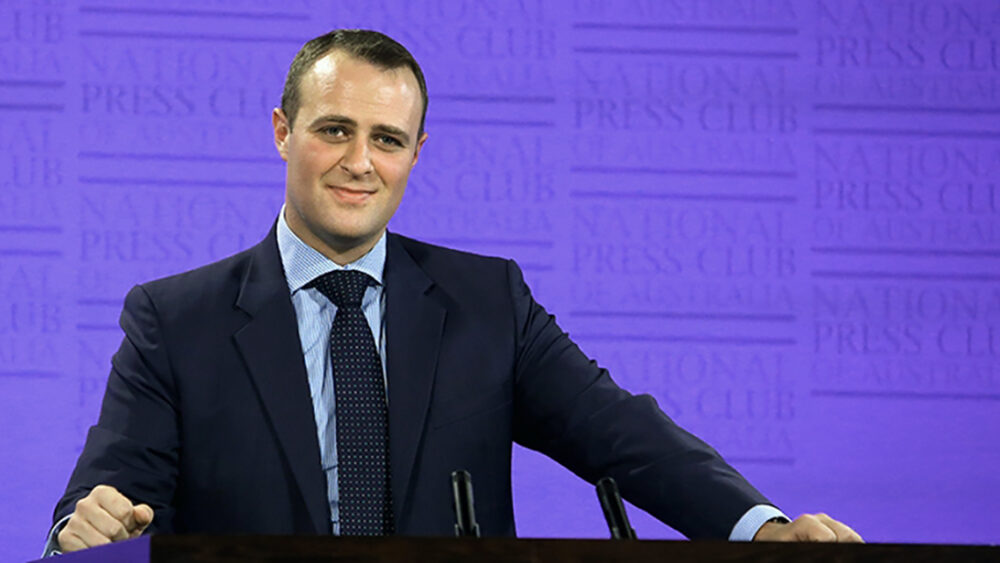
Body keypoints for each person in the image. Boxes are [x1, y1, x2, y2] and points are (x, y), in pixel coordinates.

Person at [45, 29, 862, 555]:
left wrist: (760, 525)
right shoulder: (174, 318)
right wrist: (88, 521)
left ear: (415, 153)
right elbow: (109, 490)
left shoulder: (488, 302)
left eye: (387, 139)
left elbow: (619, 432)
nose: (359, 161)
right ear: (282, 131)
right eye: (334, 129)